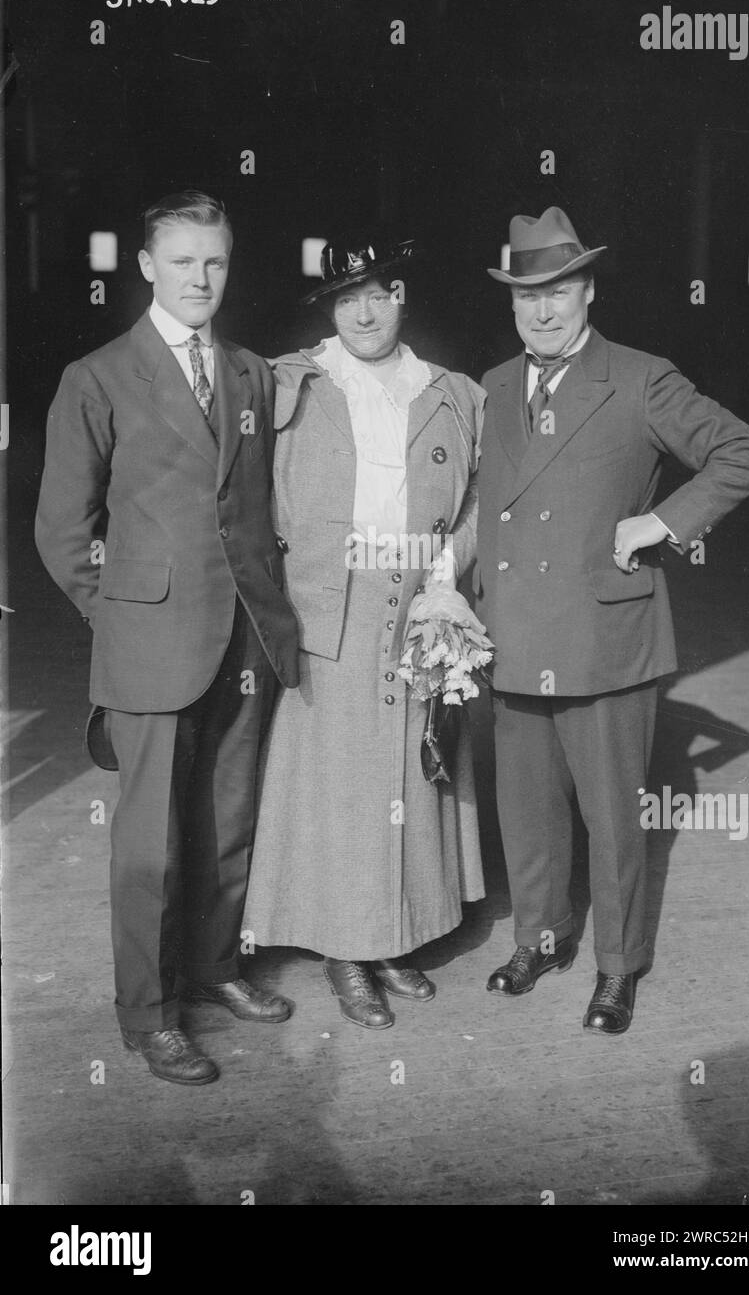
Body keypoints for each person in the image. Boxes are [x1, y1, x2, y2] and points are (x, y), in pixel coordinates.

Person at [475, 207, 749, 1035]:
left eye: (559, 290)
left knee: (614, 820)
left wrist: (662, 524)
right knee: (527, 813)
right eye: (526, 295)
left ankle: (616, 968)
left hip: (605, 638)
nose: (542, 310)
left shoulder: (642, 377)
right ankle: (542, 939)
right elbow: (484, 506)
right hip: (516, 634)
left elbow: (744, 453)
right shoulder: (495, 385)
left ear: (588, 290)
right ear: (511, 303)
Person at [35, 190, 300, 1084]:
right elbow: (61, 532)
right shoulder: (98, 376)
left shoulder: (252, 373)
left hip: (246, 641)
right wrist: (118, 618)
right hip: (149, 645)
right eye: (182, 261)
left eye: (215, 261)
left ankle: (215, 969)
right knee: (148, 844)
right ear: (146, 266)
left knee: (227, 823)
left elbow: (253, 509)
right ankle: (149, 1016)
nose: (201, 278)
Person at [242, 236, 486, 1029]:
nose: (364, 312)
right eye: (347, 300)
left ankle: (393, 937)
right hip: (327, 606)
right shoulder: (291, 384)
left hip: (419, 598)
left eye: (378, 294)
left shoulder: (451, 392)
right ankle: (347, 950)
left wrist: (448, 575)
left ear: (402, 296)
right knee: (344, 788)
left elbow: (484, 489)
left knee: (409, 779)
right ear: (330, 310)